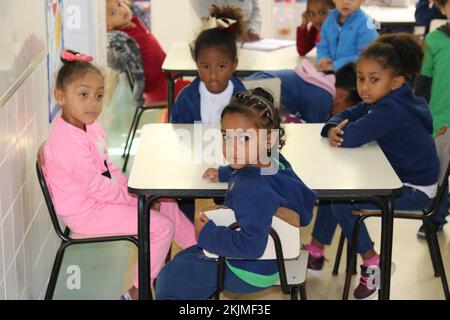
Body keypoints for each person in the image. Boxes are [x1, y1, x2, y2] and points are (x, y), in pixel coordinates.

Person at [42, 50, 197, 300]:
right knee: (161, 228)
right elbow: (95, 186)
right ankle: (137, 290)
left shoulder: (89, 126)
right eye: (83, 95)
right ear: (60, 96)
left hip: (100, 200)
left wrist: (137, 191)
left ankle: (200, 252)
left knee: (165, 202)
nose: (93, 103)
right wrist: (136, 201)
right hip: (85, 212)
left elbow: (109, 169)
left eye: (99, 95)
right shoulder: (67, 142)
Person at [307, 33, 443, 299]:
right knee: (333, 190)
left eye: (374, 79)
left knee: (340, 201)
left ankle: (373, 262)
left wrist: (339, 132)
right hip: (395, 177)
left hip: (413, 191)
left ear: (396, 82)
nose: (364, 87)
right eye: (360, 78)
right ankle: (316, 251)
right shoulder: (386, 98)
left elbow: (352, 137)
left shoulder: (393, 108)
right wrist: (333, 126)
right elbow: (346, 115)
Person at [155, 88, 317, 299]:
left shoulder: (251, 188)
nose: (232, 147)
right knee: (186, 258)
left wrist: (208, 233)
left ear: (269, 140)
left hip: (247, 270)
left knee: (169, 279)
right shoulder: (276, 163)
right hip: (275, 261)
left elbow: (251, 247)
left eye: (244, 139)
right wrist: (225, 172)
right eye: (226, 137)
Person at [171, 5, 248, 124]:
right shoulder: (185, 100)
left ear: (234, 65)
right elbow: (175, 137)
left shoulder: (245, 102)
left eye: (221, 66)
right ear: (196, 64)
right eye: (205, 67)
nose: (213, 75)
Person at [414, 0, 450, 237]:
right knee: (439, 172)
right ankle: (435, 216)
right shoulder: (434, 41)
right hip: (441, 122)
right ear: (443, 7)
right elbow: (423, 83)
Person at [106, 0, 188, 102]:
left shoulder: (135, 20)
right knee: (194, 90)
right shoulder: (121, 39)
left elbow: (134, 7)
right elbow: (118, 63)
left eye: (119, 4)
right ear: (108, 25)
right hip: (157, 87)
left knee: (194, 85)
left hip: (166, 75)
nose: (121, 10)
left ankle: (171, 114)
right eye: (113, 13)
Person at [244, 61, 360, 123]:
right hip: (253, 96)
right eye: (349, 109)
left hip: (251, 85)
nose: (345, 114)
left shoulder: (322, 82)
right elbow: (313, 131)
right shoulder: (324, 96)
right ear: (343, 94)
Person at [315, 0, 378, 72]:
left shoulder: (367, 24)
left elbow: (366, 56)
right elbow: (322, 46)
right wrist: (322, 58)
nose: (345, 2)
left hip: (354, 74)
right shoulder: (329, 19)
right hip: (328, 72)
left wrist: (335, 65)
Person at [190, 0, 261, 41]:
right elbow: (213, 22)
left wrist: (252, 29)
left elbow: (255, 8)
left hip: (247, 47)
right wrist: (241, 32)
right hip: (214, 44)